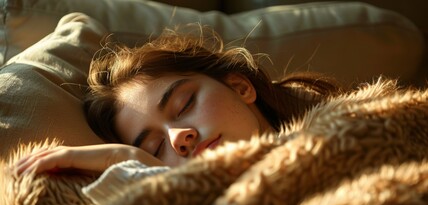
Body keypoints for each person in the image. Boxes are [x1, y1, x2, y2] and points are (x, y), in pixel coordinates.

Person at [15, 26, 340, 175]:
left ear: (241, 87)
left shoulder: (354, 126)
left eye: (184, 105)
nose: (178, 137)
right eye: (155, 148)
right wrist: (123, 157)